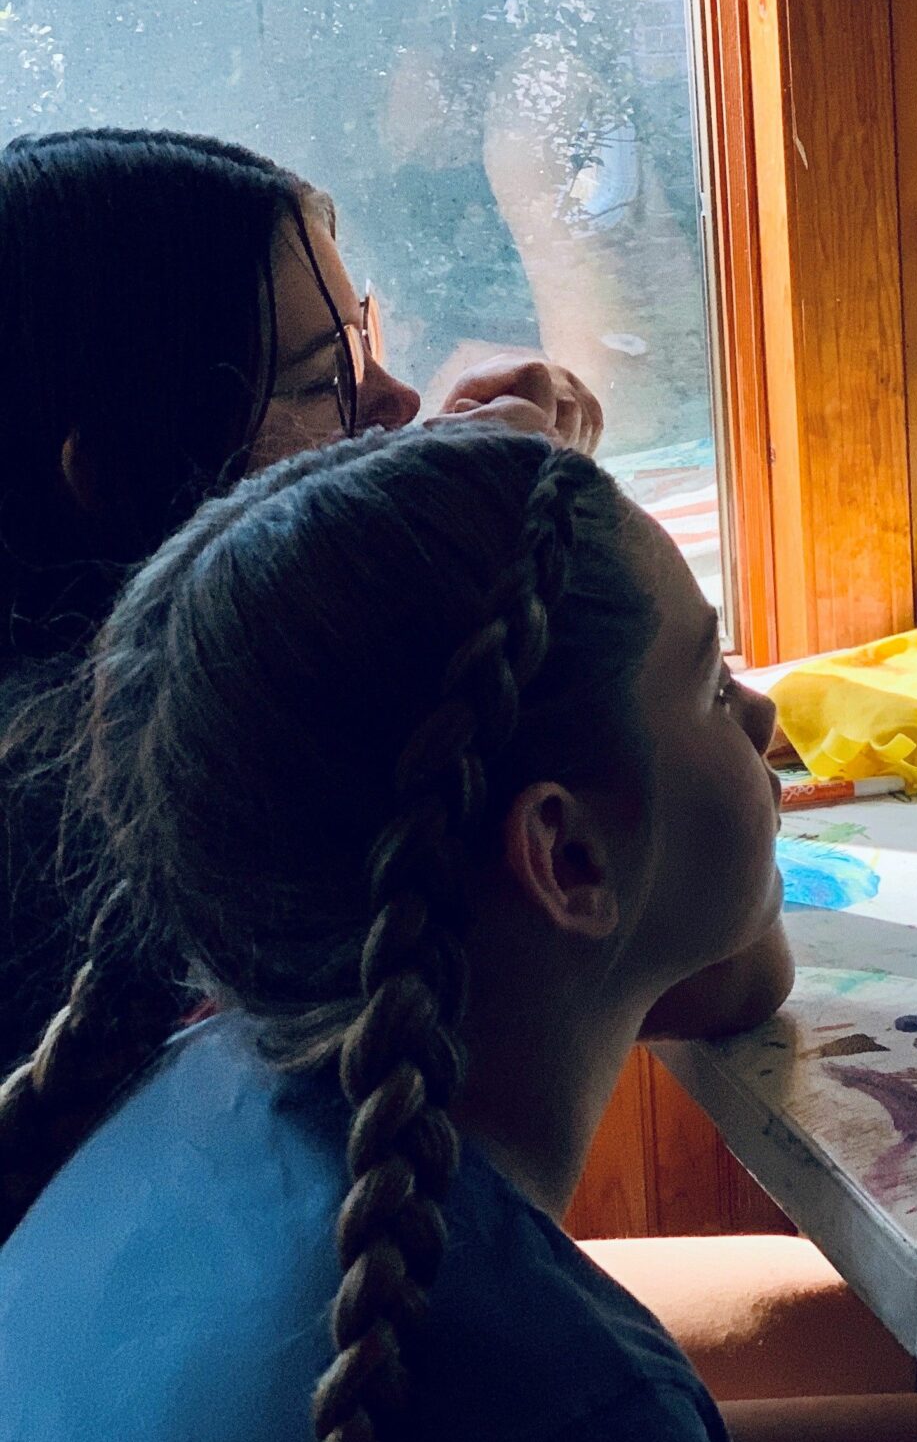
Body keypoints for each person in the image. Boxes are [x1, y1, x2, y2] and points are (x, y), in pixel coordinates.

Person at [0, 426, 917, 1442]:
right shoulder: (578, 1433)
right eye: (709, 684)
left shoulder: (199, 1063)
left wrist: (700, 867)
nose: (764, 718)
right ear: (564, 856)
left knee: (872, 1323)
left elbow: (735, 982)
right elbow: (578, 1429)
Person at [0, 128, 603, 1070]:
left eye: (364, 348)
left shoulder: (80, 721)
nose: (400, 401)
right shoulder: (194, 796)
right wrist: (485, 518)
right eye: (327, 380)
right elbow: (720, 965)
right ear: (119, 477)